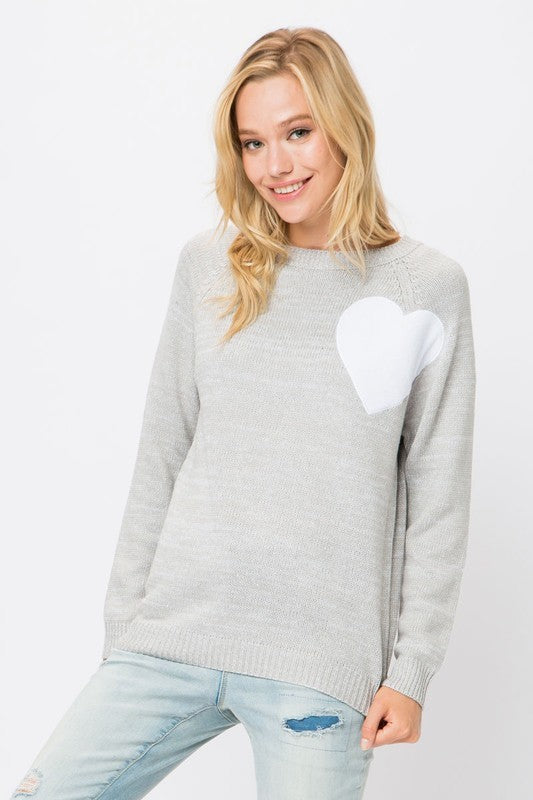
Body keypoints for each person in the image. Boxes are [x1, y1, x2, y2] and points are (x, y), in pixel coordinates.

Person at [10, 26, 476, 800]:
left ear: (345, 126)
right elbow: (164, 450)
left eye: (297, 133)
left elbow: (438, 496)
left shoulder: (426, 287)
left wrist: (411, 670)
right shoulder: (210, 266)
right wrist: (125, 630)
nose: (274, 166)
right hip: (170, 640)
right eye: (252, 143)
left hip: (317, 668)